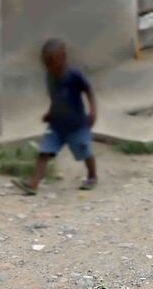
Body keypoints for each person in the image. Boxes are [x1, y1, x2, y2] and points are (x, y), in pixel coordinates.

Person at [14, 39, 98, 194]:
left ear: (63, 58)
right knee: (44, 152)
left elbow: (89, 90)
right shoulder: (49, 77)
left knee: (85, 151)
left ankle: (92, 176)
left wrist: (93, 111)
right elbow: (55, 97)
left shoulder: (74, 75)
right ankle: (34, 183)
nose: (48, 67)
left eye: (51, 63)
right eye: (46, 63)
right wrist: (50, 112)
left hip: (77, 125)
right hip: (56, 125)